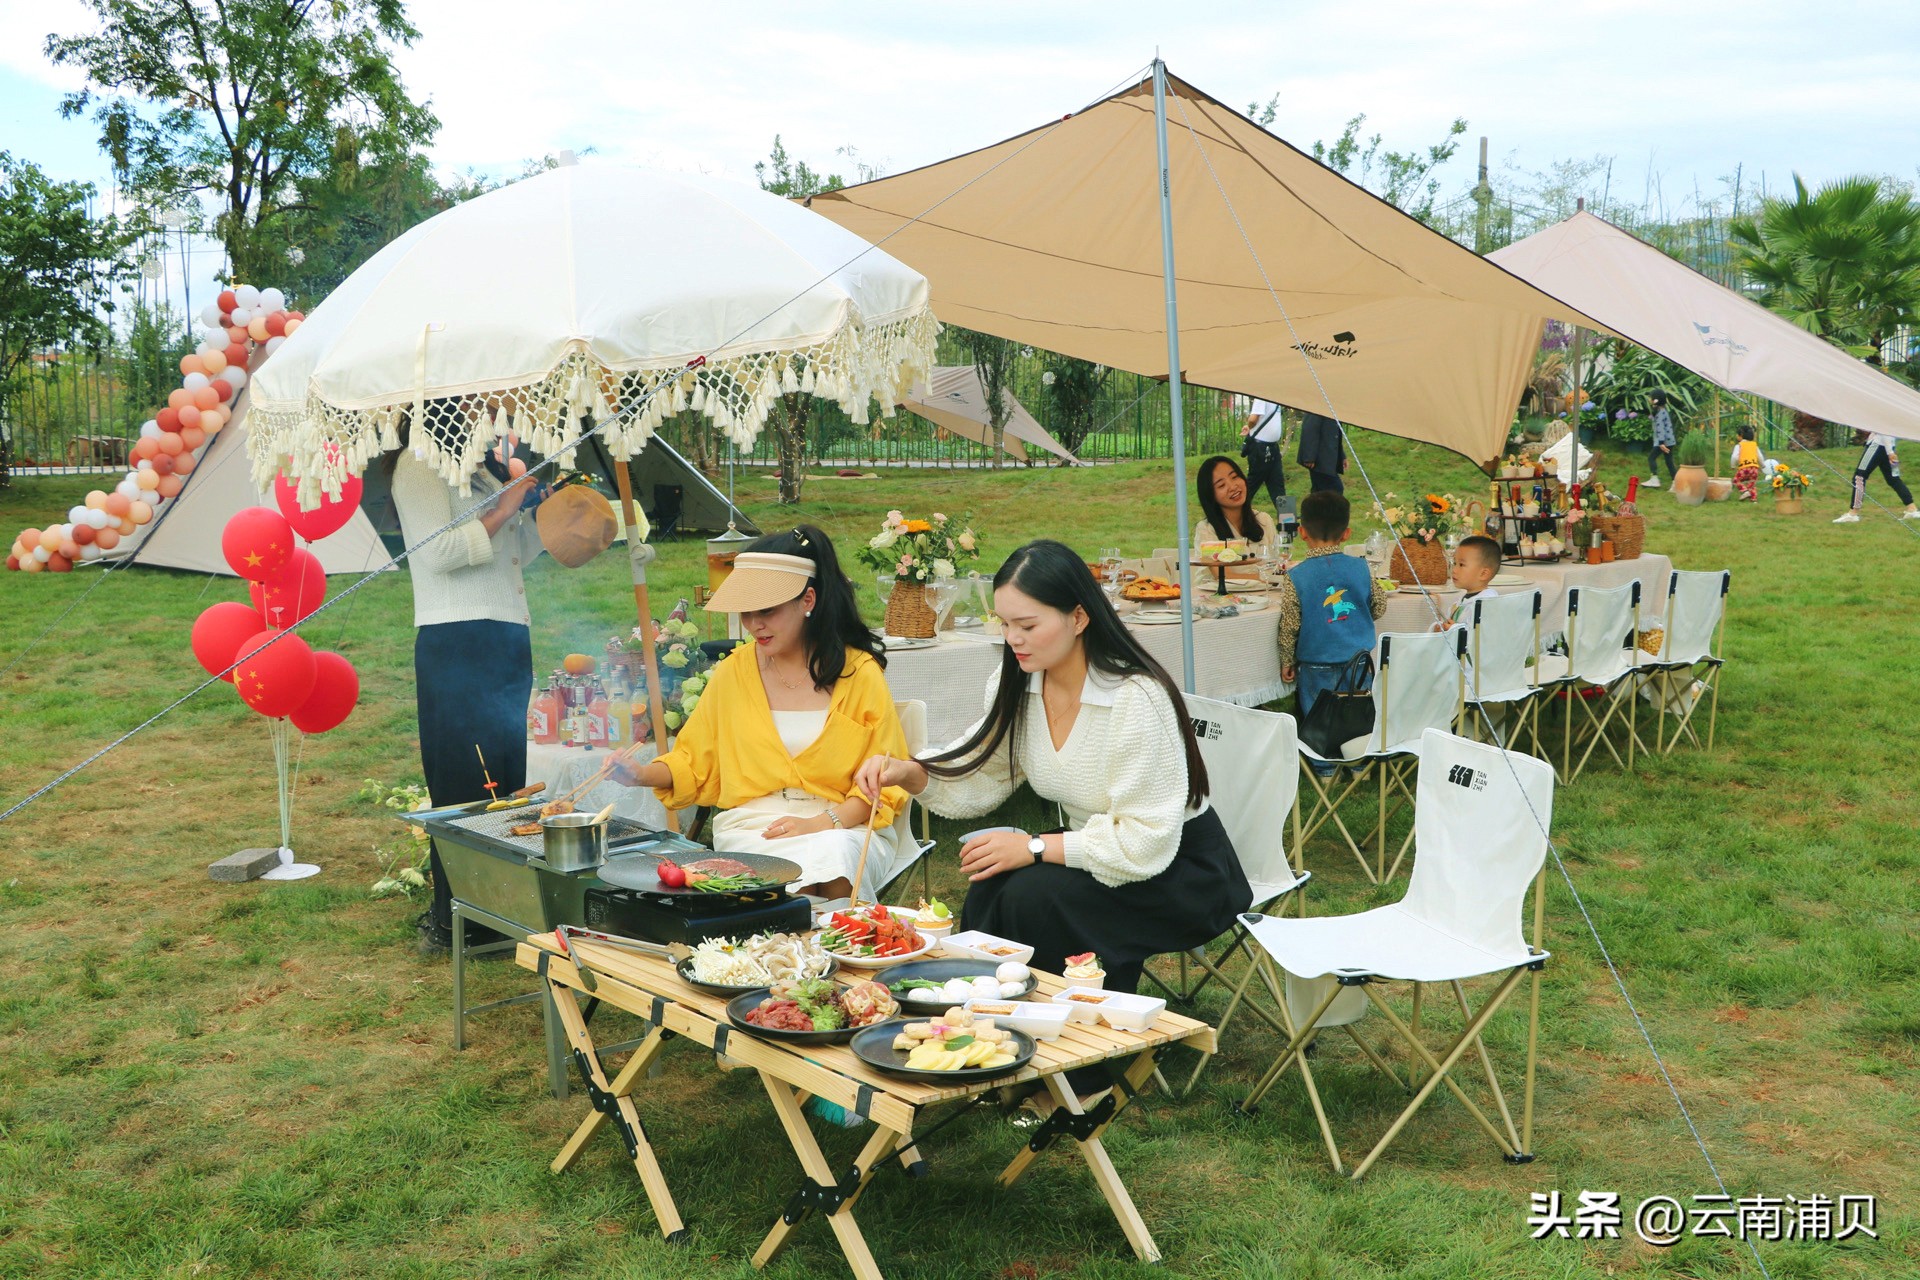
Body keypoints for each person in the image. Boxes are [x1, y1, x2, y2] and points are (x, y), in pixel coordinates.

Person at [852, 539, 1250, 1001]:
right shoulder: (1018, 683)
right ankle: (981, 1008)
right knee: (992, 881)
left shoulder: (1135, 698)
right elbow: (983, 772)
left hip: (1178, 872)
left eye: (1027, 625)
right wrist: (908, 772)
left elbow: (1145, 842)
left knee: (1035, 895)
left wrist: (1035, 847)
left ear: (1078, 618)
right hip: (1097, 854)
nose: (1012, 639)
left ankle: (1080, 1046)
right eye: (1004, 624)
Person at [611, 526, 910, 905]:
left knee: (836, 856)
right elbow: (692, 761)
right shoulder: (734, 672)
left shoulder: (859, 672)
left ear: (808, 600)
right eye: (747, 612)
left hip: (845, 821)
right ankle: (798, 953)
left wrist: (819, 823)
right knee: (789, 873)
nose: (754, 625)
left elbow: (885, 780)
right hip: (755, 823)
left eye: (767, 610)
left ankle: (832, 952)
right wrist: (639, 774)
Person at [388, 421, 547, 954]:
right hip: (457, 638)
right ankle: (456, 920)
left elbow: (514, 550)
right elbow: (438, 553)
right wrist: (506, 506)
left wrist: (542, 509)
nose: (491, 418)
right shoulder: (419, 466)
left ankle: (502, 913)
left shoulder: (480, 468)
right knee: (464, 781)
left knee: (505, 780)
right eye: (478, 406)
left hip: (505, 631)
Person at [1276, 491, 1388, 715]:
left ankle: (1321, 750)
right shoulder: (1361, 567)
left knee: (1319, 720)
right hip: (1357, 661)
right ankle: (1354, 746)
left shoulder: (1296, 576)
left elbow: (1290, 625)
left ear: (1302, 532)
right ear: (1346, 534)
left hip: (1315, 665)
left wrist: (1287, 659)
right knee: (1357, 715)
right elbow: (1379, 606)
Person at [1195, 455, 1280, 554]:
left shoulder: (1264, 520)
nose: (1233, 486)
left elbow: (1277, 562)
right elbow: (1219, 569)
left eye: (1234, 477)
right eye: (1221, 485)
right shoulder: (1206, 530)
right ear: (1210, 495)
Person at [1834, 432, 1920, 523]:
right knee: (1893, 479)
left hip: (1878, 446)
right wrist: (1890, 450)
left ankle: (1853, 513)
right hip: (1889, 446)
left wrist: (1890, 452)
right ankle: (1912, 509)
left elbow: (1884, 430)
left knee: (1859, 477)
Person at [1432, 534, 1502, 632]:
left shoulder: (1487, 604)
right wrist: (1441, 628)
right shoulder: (1461, 602)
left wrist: (1455, 629)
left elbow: (1482, 635)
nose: (1454, 570)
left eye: (1461, 565)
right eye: (1455, 563)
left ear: (1483, 574)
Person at [1239, 398, 1291, 528]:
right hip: (1261, 449)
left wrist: (1249, 427)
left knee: (1277, 486)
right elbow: (1253, 419)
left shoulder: (1272, 398)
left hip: (1272, 447)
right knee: (1252, 485)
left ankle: (1288, 525)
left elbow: (1254, 420)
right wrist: (1249, 426)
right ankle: (1235, 515)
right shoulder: (1261, 396)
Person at [1296, 411, 1346, 492]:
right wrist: (1309, 457)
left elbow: (1335, 433)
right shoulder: (1316, 405)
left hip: (1329, 457)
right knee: (1335, 489)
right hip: (1320, 458)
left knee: (1321, 491)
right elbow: (1309, 429)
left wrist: (1342, 455)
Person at [1645, 393, 1677, 489]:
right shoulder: (1662, 411)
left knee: (1651, 458)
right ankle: (1676, 483)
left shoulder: (1660, 413)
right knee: (1669, 461)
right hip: (1669, 441)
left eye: (1651, 398)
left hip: (1663, 442)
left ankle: (1654, 479)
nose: (1650, 399)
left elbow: (1660, 428)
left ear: (1656, 400)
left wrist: (1661, 444)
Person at [1731, 426, 1763, 502]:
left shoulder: (1739, 445)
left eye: (1737, 435)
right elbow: (1760, 456)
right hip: (1754, 468)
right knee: (1752, 484)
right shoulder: (1754, 445)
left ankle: (1745, 491)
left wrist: (1733, 465)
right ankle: (1754, 499)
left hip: (1744, 468)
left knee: (1736, 481)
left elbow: (1735, 457)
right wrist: (1763, 465)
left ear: (1741, 435)